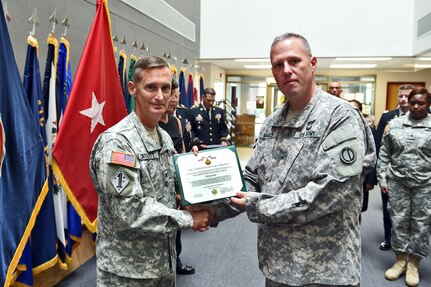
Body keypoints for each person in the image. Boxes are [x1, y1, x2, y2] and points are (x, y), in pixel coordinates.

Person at [198, 32, 376, 287]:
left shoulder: (341, 117)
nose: (287, 70)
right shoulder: (272, 123)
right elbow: (252, 179)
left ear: (312, 64)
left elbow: (334, 192)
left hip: (325, 270)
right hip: (278, 264)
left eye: (295, 61)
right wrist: (213, 209)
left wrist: (259, 206)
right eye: (278, 65)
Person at [89, 56, 209, 286]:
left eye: (166, 88)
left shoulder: (162, 136)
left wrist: (195, 180)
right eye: (151, 87)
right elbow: (130, 211)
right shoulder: (117, 143)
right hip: (127, 272)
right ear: (133, 89)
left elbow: (167, 186)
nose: (160, 96)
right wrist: (188, 218)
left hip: (163, 263)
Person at [377, 87, 431, 287]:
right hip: (397, 183)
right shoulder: (394, 124)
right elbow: (384, 154)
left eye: (421, 103)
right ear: (408, 102)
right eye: (413, 102)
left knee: (421, 224)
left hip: (426, 184)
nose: (416, 106)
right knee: (398, 221)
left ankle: (414, 264)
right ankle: (400, 261)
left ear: (428, 104)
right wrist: (383, 179)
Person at [158, 77, 195, 275]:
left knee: (176, 224)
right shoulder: (153, 123)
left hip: (175, 181)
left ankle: (176, 258)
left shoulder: (176, 121)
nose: (174, 100)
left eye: (177, 96)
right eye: (172, 95)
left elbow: (180, 151)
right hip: (159, 183)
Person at [375, 84, 414, 251]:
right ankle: (389, 238)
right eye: (401, 96)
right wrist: (376, 176)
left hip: (416, 174)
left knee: (414, 210)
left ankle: (409, 242)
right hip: (391, 173)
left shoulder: (425, 118)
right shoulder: (387, 118)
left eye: (407, 96)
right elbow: (378, 147)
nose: (403, 99)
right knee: (389, 208)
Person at [349, 100, 378, 214]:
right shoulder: (335, 127)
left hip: (362, 178)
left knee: (358, 208)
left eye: (356, 109)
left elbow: (373, 155)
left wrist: (370, 180)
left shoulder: (369, 129)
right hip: (342, 178)